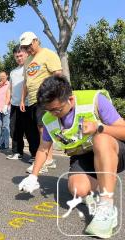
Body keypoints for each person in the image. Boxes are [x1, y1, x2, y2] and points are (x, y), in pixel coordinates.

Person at [18, 75, 125, 238]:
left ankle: (107, 207)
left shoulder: (95, 100)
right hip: (83, 156)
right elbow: (43, 148)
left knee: (100, 138)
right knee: (78, 190)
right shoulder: (50, 118)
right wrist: (33, 176)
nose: (54, 114)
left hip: (113, 149)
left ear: (71, 100)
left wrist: (99, 127)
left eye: (57, 110)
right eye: (49, 110)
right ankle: (97, 189)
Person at [19, 31, 61, 173]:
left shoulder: (48, 54)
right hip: (31, 100)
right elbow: (26, 81)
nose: (27, 49)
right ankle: (48, 160)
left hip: (45, 97)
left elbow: (58, 75)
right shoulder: (28, 61)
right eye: (24, 47)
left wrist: (58, 95)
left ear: (36, 41)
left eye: (29, 45)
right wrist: (22, 99)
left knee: (43, 128)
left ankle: (46, 161)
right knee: (38, 130)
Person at [5, 45, 39, 160]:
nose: (19, 58)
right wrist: (7, 102)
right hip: (15, 105)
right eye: (16, 56)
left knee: (31, 131)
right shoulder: (13, 72)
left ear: (26, 54)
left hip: (28, 104)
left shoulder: (30, 67)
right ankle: (17, 151)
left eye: (21, 55)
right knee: (14, 129)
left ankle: (35, 155)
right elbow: (10, 88)